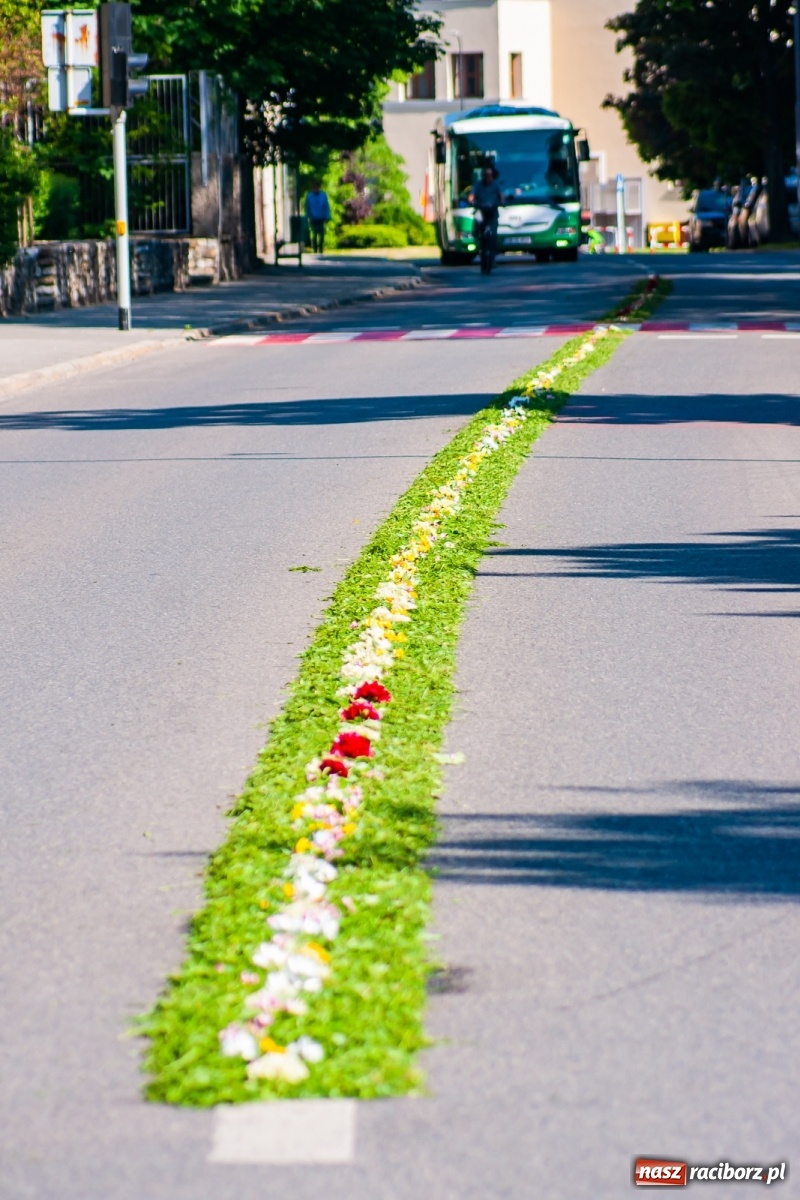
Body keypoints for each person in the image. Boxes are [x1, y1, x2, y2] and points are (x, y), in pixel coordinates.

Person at [305, 181, 332, 253]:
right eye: (314, 187)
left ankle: (320, 247)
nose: (316, 189)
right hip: (313, 217)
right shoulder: (309, 196)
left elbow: (326, 206)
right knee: (314, 234)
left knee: (321, 234)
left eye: (317, 187)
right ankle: (315, 248)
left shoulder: (323, 195)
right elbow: (307, 207)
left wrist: (327, 216)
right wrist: (308, 216)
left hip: (321, 217)